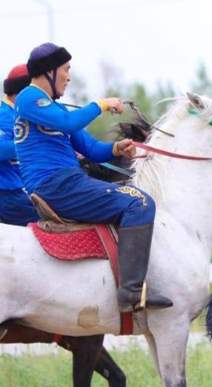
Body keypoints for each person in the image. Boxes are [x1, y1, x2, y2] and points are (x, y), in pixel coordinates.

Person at [14, 42, 172, 311]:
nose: (69, 76)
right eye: (65, 69)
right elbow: (69, 124)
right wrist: (100, 104)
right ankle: (131, 293)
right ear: (49, 71)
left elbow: (91, 149)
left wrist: (115, 148)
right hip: (57, 185)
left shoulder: (56, 110)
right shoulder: (29, 98)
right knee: (139, 203)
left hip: (66, 183)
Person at [0, 64, 38, 226]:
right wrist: (39, 146)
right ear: (23, 92)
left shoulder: (24, 115)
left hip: (22, 192)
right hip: (9, 195)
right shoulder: (3, 115)